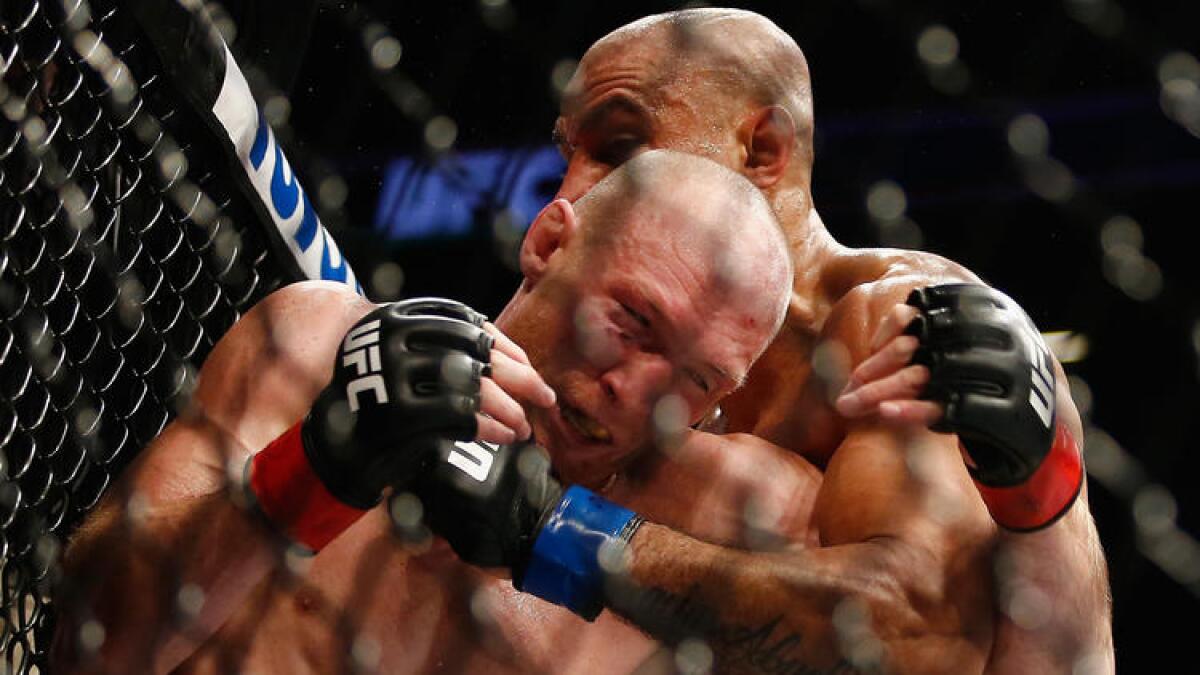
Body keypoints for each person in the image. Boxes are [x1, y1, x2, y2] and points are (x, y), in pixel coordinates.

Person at [408, 8, 1111, 674]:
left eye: (621, 146)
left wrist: (562, 532)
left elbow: (915, 639)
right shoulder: (596, 334)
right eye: (572, 152)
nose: (575, 184)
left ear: (763, 149)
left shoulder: (899, 323)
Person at [51, 150, 814, 674]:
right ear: (549, 242)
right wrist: (324, 463)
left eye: (696, 380)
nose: (638, 389)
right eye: (633, 320)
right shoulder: (320, 343)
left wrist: (573, 544)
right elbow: (88, 650)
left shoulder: (689, 562)